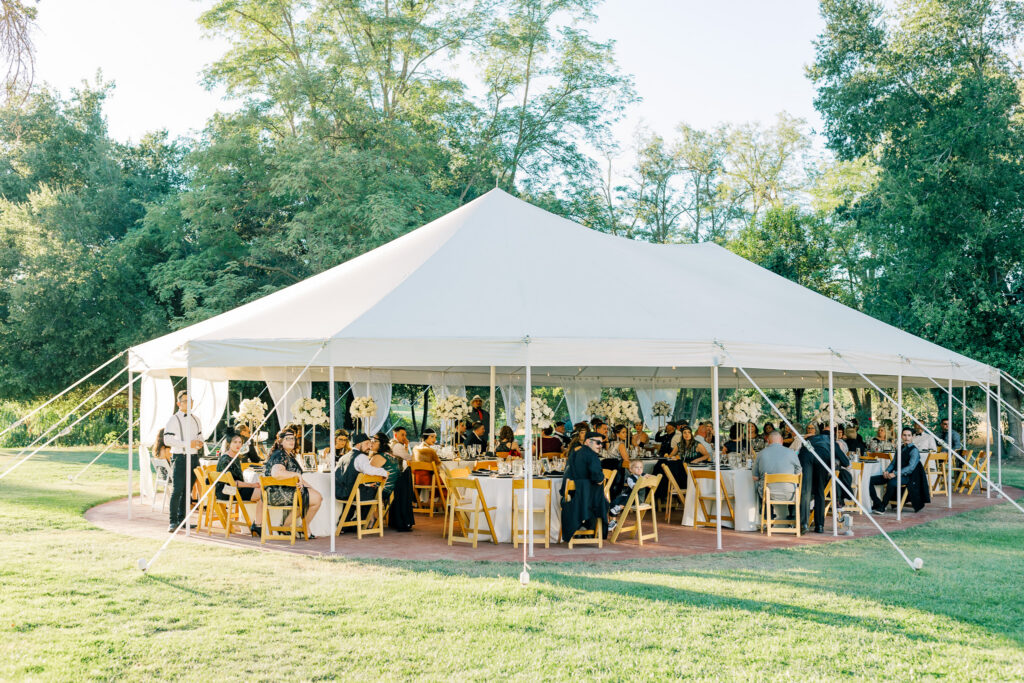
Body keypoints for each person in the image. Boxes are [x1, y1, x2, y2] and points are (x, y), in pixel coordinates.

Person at [265, 429, 322, 538]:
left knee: (316, 497)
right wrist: (296, 474)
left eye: (293, 438)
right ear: (281, 441)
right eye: (288, 439)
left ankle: (285, 526)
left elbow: (297, 477)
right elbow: (276, 473)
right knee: (316, 499)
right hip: (277, 493)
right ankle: (303, 526)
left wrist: (310, 488)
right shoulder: (280, 455)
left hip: (284, 490)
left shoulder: (288, 454)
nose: (292, 441)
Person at [163, 390, 204, 533]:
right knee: (177, 490)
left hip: (193, 458)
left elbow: (200, 436)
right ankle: (173, 521)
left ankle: (183, 520)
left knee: (188, 491)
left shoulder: (196, 419)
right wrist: (187, 444)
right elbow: (167, 439)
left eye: (190, 401)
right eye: (185, 401)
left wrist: (199, 442)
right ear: (178, 403)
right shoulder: (173, 419)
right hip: (180, 457)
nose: (189, 403)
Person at [560, 431, 610, 541]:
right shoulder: (592, 456)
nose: (600, 446)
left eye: (602, 443)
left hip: (572, 497)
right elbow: (598, 479)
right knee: (604, 502)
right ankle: (590, 530)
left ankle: (582, 528)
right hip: (589, 500)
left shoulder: (574, 453)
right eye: (598, 443)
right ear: (587, 441)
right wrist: (601, 479)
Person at [334, 433, 390, 529]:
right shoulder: (361, 456)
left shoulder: (344, 456)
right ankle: (363, 523)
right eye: (367, 443)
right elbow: (369, 470)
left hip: (340, 492)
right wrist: (384, 473)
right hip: (351, 493)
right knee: (375, 492)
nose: (369, 446)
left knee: (363, 491)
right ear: (358, 444)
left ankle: (345, 524)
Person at [870, 428, 930, 513]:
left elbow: (910, 468)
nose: (906, 438)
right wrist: (887, 471)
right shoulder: (900, 448)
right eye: (904, 435)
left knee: (892, 482)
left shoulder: (914, 450)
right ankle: (877, 503)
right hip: (895, 474)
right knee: (870, 480)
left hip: (908, 477)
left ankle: (882, 507)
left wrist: (895, 474)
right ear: (901, 436)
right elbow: (893, 463)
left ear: (912, 437)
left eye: (909, 435)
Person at [216, 432, 264, 536]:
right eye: (235, 442)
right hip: (227, 492)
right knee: (262, 493)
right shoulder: (226, 460)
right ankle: (257, 524)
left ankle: (256, 524)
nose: (238, 445)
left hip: (232, 490)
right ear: (229, 444)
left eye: (240, 442)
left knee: (262, 492)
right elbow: (234, 482)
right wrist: (252, 485)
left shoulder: (235, 457)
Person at [751, 431, 802, 527]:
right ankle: (793, 517)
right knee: (796, 487)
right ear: (782, 441)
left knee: (759, 486)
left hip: (768, 494)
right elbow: (799, 473)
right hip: (790, 494)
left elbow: (755, 477)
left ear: (768, 441)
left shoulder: (761, 454)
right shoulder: (791, 453)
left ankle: (767, 517)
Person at [369, 431, 415, 531]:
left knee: (355, 489)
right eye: (371, 440)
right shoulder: (390, 455)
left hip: (383, 490)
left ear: (382, 443)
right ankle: (372, 516)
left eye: (375, 441)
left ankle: (370, 518)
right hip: (391, 490)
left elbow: (367, 476)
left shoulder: (378, 457)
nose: (371, 443)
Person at [607, 460, 647, 532]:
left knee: (628, 497)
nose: (639, 469)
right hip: (630, 496)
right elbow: (633, 486)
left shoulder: (644, 475)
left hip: (638, 499)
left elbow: (651, 478)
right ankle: (613, 521)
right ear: (631, 469)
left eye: (641, 467)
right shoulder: (630, 478)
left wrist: (649, 477)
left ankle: (619, 507)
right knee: (617, 500)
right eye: (636, 467)